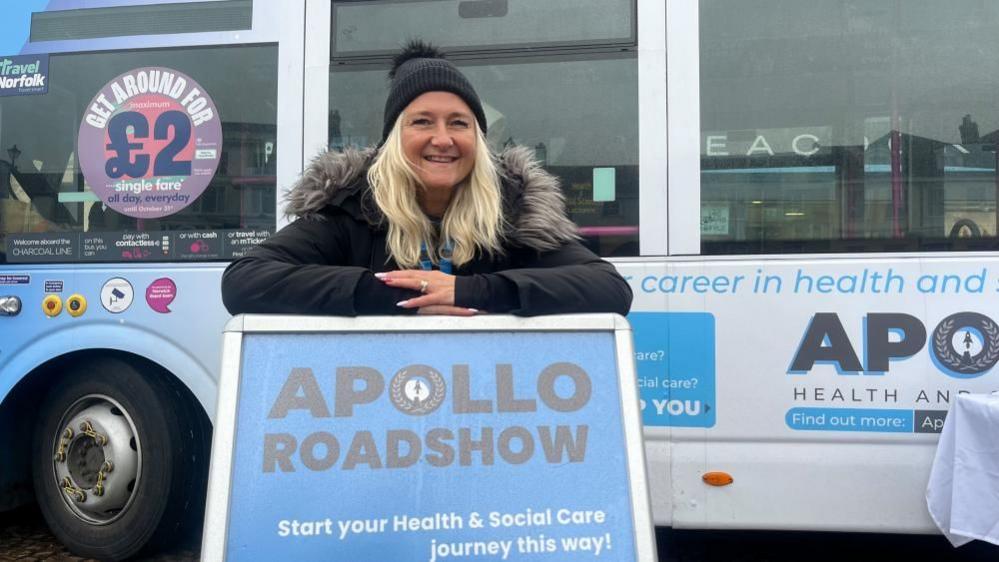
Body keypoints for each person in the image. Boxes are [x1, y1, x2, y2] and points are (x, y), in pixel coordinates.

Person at [221, 41, 632, 317]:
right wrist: (406, 295)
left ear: (478, 140)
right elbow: (244, 282)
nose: (443, 139)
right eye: (422, 122)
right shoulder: (351, 208)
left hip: (488, 411)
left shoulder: (514, 213)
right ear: (393, 140)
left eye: (459, 123)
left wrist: (472, 292)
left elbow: (608, 288)